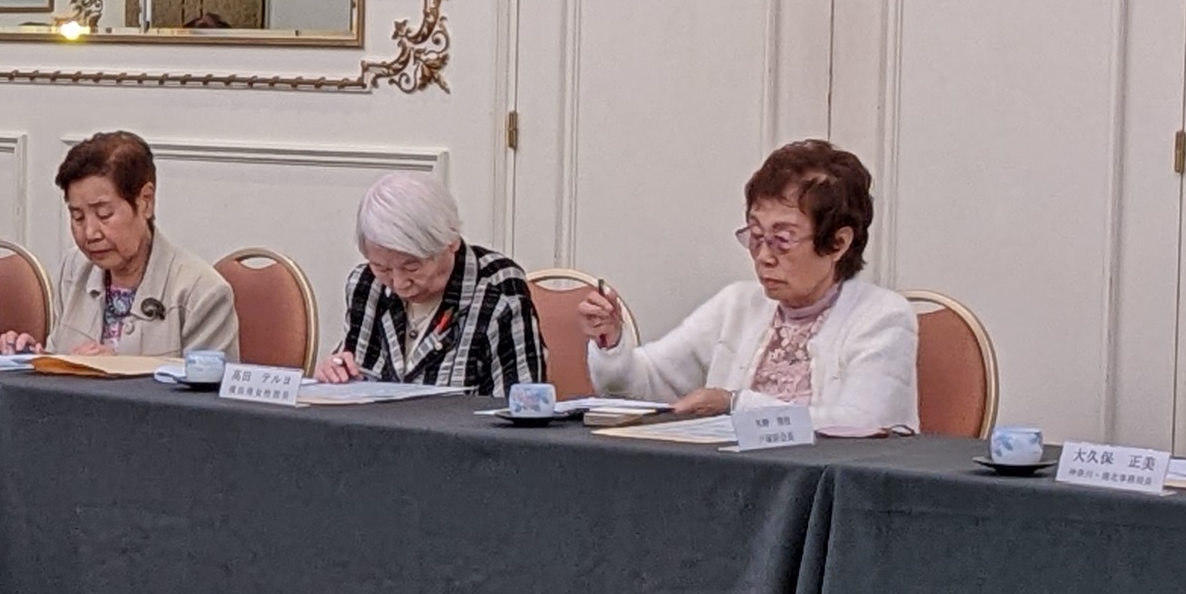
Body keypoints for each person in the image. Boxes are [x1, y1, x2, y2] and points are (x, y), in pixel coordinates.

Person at [563, 138, 917, 436]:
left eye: (782, 239)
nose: (763, 256)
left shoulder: (882, 316)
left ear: (838, 243)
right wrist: (611, 344)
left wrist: (734, 404)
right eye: (756, 236)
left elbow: (864, 425)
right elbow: (645, 385)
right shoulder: (737, 304)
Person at [0, 132, 237, 361]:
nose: (90, 233)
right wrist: (33, 358)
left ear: (145, 202)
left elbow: (208, 391)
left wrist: (117, 373)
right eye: (78, 217)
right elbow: (60, 360)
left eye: (104, 214)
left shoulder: (202, 292)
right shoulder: (74, 268)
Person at [323, 171, 549, 394]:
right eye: (382, 268)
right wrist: (335, 375)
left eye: (412, 267)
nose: (399, 284)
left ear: (451, 241)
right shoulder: (367, 284)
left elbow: (521, 402)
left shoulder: (498, 290)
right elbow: (352, 377)